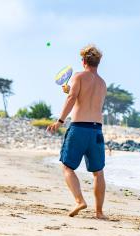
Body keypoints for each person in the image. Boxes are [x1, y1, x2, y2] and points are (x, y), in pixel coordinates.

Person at [47, 45, 107, 219]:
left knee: (67, 167)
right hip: (96, 130)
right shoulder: (102, 83)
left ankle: (80, 200)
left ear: (83, 61)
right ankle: (99, 212)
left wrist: (59, 121)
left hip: (79, 128)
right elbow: (89, 99)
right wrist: (72, 89)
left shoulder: (78, 76)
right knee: (98, 172)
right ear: (98, 62)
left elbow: (73, 98)